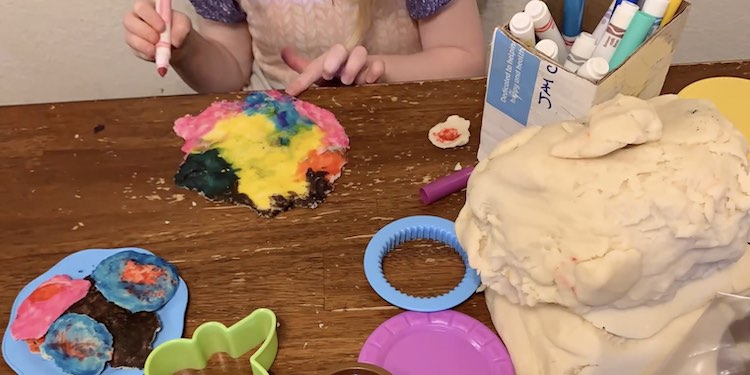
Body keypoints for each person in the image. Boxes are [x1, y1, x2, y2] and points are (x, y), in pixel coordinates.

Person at [123, 0, 486, 96]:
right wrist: (186, 49)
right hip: (284, 129)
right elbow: (228, 74)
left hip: (401, 123)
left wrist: (376, 70)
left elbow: (463, 59)